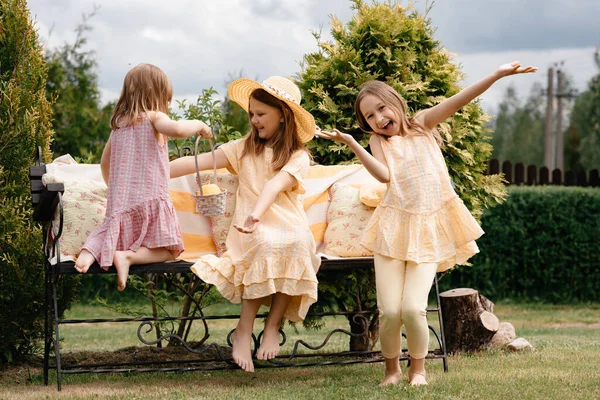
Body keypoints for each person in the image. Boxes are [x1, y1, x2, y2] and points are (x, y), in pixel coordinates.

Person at [316, 61, 538, 386]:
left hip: (429, 228)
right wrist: (353, 144)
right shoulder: (379, 142)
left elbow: (461, 99)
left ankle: (417, 370)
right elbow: (385, 176)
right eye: (369, 117)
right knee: (390, 310)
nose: (379, 118)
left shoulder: (422, 124)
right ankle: (391, 371)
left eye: (381, 108)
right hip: (392, 228)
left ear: (395, 102)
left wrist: (496, 74)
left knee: (413, 308)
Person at [170, 76, 321, 373]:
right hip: (249, 226)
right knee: (264, 243)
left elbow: (275, 184)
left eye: (261, 114)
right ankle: (243, 329)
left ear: (283, 115)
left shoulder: (297, 156)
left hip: (283, 219)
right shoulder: (242, 149)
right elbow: (199, 161)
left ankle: (271, 327)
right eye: (251, 113)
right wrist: (156, 169)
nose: (253, 120)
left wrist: (257, 214)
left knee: (298, 244)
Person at [74, 63, 212, 291]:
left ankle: (87, 255)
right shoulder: (154, 117)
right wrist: (199, 125)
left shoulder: (118, 126)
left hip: (121, 204)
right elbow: (177, 130)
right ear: (156, 96)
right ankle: (128, 258)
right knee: (171, 250)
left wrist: (115, 189)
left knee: (110, 231)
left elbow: (104, 163)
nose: (166, 105)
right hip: (150, 201)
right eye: (165, 100)